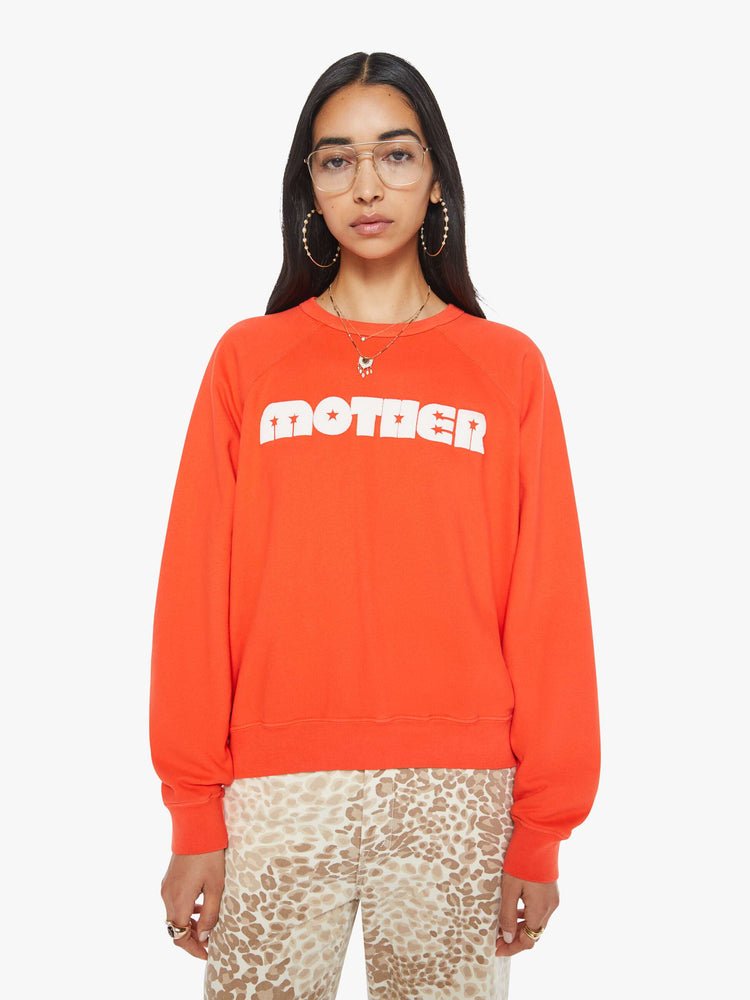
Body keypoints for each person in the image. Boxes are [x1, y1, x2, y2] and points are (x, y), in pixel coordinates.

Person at [149, 50, 600, 1000]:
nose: (367, 186)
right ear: (308, 186)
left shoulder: (507, 367)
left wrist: (541, 830)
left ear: (435, 177)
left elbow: (548, 598)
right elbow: (194, 589)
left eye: (396, 155)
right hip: (274, 789)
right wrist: (194, 813)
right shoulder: (249, 360)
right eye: (335, 159)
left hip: (458, 791)